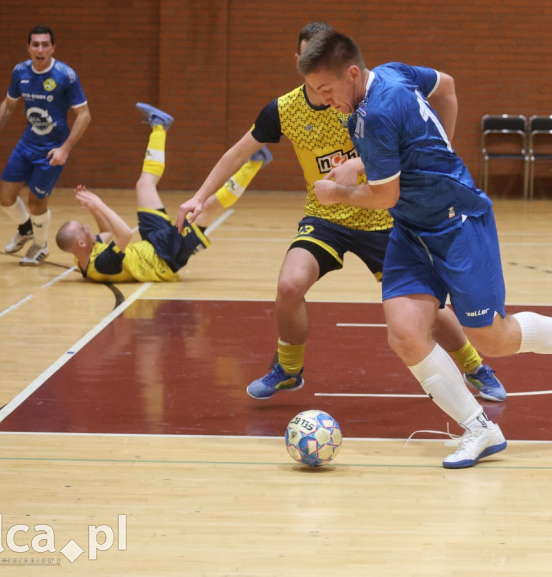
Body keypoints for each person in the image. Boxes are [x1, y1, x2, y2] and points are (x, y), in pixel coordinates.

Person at [296, 29, 552, 469]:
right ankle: (480, 428)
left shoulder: (377, 114)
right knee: (406, 333)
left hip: (457, 223)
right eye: (315, 92)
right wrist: (433, 150)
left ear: (352, 73)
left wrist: (336, 195)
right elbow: (446, 85)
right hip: (412, 229)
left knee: (494, 341)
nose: (322, 99)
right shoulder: (392, 73)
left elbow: (383, 197)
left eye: (326, 90)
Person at [176, 22, 508, 405]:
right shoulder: (284, 110)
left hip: (383, 216)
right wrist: (200, 197)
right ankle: (288, 369)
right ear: (300, 61)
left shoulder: (362, 99)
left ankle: (475, 367)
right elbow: (237, 152)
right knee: (289, 285)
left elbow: (406, 140)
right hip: (327, 217)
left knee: (431, 311)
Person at [56, 103, 271, 281]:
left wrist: (92, 208)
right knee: (205, 208)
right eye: (82, 228)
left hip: (151, 243)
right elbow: (124, 234)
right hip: (165, 256)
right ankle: (255, 162)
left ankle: (159, 125)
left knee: (143, 185)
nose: (87, 227)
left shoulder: (82, 257)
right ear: (81, 244)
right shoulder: (101, 266)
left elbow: (106, 233)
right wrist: (99, 205)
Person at [0, 25, 92, 266]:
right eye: (35, 45)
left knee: (36, 202)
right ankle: (26, 229)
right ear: (28, 47)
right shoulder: (20, 71)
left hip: (52, 150)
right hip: (27, 144)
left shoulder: (65, 75)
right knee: (4, 196)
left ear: (53, 47)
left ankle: (40, 246)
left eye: (44, 45)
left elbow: (84, 115)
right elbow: (9, 104)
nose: (39, 49)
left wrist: (65, 149)